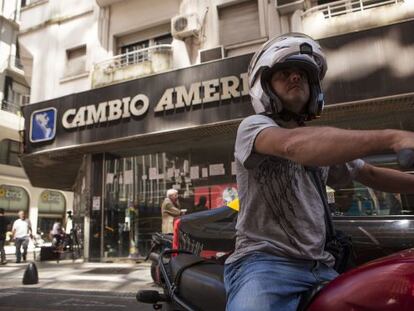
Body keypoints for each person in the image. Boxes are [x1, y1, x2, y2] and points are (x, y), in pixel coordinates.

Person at [224, 33, 414, 311]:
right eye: (285, 73)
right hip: (264, 264)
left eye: (302, 74)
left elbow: (370, 174)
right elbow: (292, 146)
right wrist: (394, 138)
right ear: (264, 86)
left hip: (320, 265)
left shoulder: (323, 147)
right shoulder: (253, 127)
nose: (295, 78)